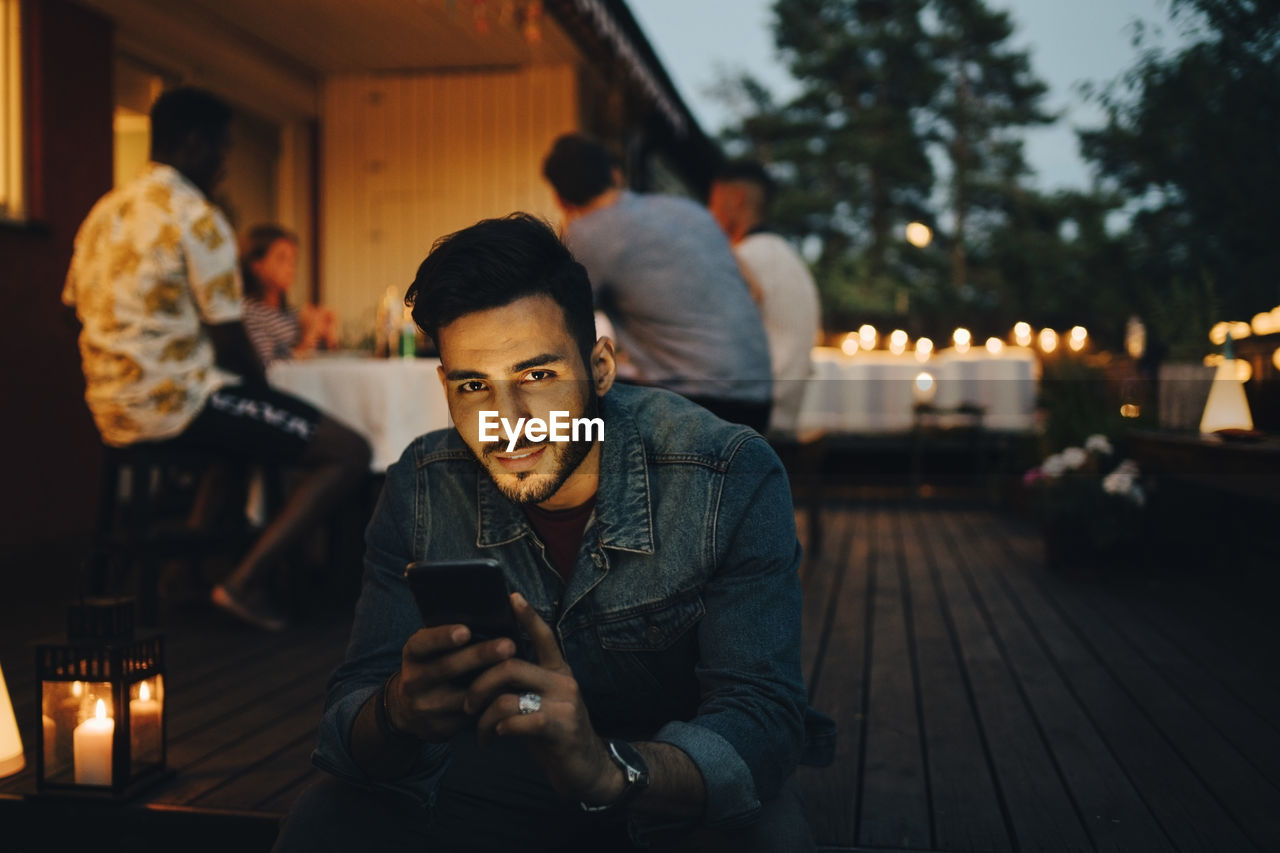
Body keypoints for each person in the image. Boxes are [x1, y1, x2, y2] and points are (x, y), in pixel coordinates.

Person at [272, 214, 833, 852]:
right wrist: (397, 712)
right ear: (446, 386)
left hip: (668, 788)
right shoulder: (421, 487)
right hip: (492, 780)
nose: (508, 422)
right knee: (327, 821)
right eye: (475, 386)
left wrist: (608, 769)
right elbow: (351, 716)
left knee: (766, 835)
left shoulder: (725, 473)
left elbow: (761, 719)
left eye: (538, 377)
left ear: (599, 367)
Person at [63, 87, 370, 631]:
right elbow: (229, 339)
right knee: (346, 449)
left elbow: (72, 311)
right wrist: (270, 398)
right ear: (192, 143)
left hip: (111, 408)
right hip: (180, 403)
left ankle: (182, 573)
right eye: (222, 151)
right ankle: (244, 581)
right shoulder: (196, 216)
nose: (224, 166)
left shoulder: (102, 214)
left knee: (240, 436)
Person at [541, 133, 773, 433]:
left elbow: (557, 321)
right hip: (759, 397)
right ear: (615, 175)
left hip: (699, 406)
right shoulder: (688, 211)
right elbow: (753, 290)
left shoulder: (587, 234)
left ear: (559, 198)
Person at [709, 160, 822, 436]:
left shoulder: (745, 259)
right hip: (787, 411)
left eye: (712, 201)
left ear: (735, 198)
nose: (709, 213)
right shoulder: (789, 259)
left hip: (754, 417)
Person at [240, 223, 338, 366]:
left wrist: (328, 334)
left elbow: (321, 364)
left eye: (293, 259)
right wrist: (307, 339)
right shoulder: (249, 314)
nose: (290, 267)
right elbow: (267, 368)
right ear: (257, 265)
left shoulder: (292, 315)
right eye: (281, 258)